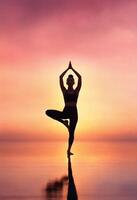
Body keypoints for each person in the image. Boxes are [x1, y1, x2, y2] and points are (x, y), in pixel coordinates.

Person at [46, 61, 82, 155]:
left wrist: (72, 69)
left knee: (72, 133)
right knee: (48, 112)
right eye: (68, 79)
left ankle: (68, 150)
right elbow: (60, 77)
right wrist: (67, 69)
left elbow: (80, 77)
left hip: (74, 113)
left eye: (71, 80)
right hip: (66, 111)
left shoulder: (76, 91)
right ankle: (64, 122)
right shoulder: (64, 91)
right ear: (67, 82)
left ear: (73, 82)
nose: (70, 80)